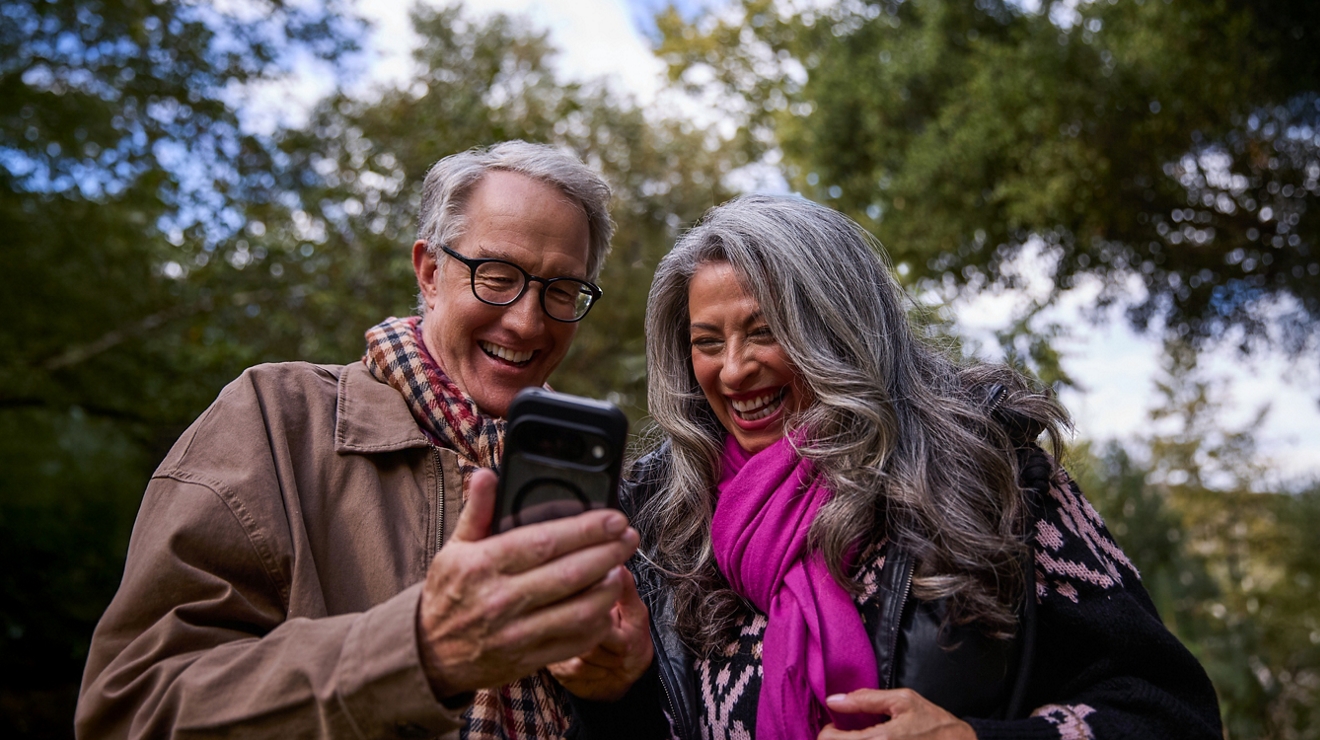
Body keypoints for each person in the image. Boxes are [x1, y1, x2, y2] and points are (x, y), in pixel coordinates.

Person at [554, 195, 1223, 739]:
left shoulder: (991, 477)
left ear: (836, 329)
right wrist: (615, 694)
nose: (733, 370)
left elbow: (1170, 714)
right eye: (707, 343)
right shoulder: (661, 520)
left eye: (764, 332)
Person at [76, 141, 643, 739]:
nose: (529, 321)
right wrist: (420, 651)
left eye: (560, 292)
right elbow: (132, 710)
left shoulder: (601, 484)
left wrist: (616, 692)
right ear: (430, 272)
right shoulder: (275, 420)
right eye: (496, 277)